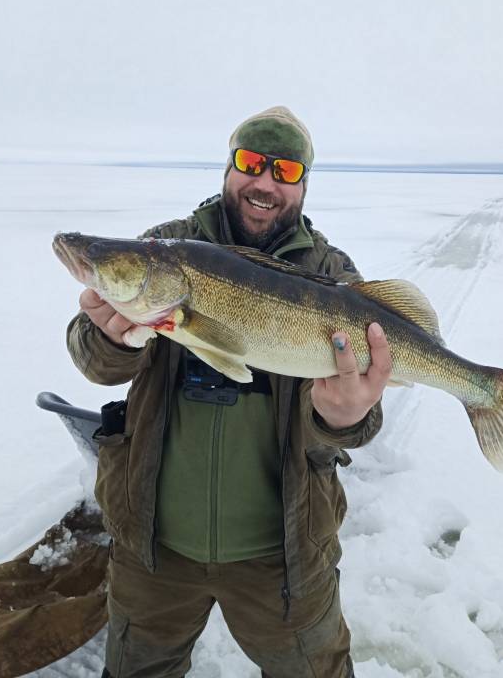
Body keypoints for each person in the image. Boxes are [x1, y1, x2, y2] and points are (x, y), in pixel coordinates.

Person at [67, 106, 392, 678]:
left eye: (285, 171)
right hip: (153, 549)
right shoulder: (164, 249)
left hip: (285, 556)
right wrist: (109, 339)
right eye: (250, 162)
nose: (264, 183)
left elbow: (361, 419)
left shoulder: (334, 274)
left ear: (303, 184)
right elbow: (93, 360)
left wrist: (344, 418)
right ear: (229, 167)